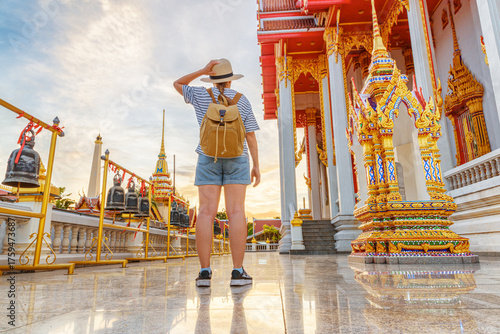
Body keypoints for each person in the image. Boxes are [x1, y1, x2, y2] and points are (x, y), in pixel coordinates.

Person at [173, 58, 260, 287]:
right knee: (236, 212)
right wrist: (256, 165)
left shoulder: (201, 95)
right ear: (230, 80)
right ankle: (238, 272)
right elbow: (250, 135)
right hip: (237, 157)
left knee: (205, 213)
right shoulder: (242, 100)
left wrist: (202, 70)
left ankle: (204, 273)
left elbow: (178, 83)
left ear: (211, 78)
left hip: (207, 156)